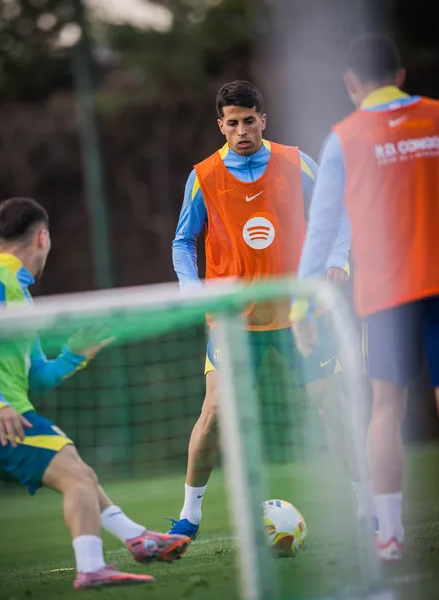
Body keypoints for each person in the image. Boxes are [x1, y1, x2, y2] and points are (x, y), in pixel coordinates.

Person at [294, 33, 439, 560]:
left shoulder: (343, 138)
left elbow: (321, 227)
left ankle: (389, 535)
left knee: (385, 409)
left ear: (350, 84)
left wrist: (302, 304)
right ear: (401, 76)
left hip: (385, 294)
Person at [0, 197, 190, 589]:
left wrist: (73, 355)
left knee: (80, 471)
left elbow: (38, 376)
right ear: (42, 237)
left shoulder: (17, 294)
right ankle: (91, 568)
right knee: (76, 477)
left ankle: (138, 538)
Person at [169, 80, 375, 542]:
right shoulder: (203, 176)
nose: (241, 131)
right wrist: (190, 288)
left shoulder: (296, 162)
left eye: (249, 121)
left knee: (333, 407)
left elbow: (337, 213)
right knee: (214, 414)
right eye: (232, 123)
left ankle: (368, 505)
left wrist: (338, 259)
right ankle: (189, 516)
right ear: (220, 125)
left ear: (263, 119)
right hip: (234, 320)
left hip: (299, 314)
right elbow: (183, 242)